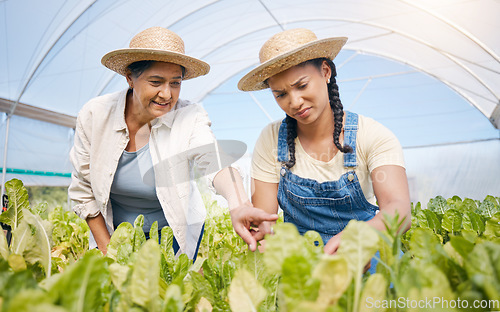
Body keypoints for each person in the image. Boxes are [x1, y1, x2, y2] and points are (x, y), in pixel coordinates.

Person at [69, 27, 277, 260]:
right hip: (114, 234)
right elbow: (83, 190)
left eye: (175, 83)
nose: (167, 94)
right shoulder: (95, 115)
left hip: (173, 234)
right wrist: (109, 250)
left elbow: (214, 159)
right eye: (156, 82)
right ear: (130, 77)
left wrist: (239, 204)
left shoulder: (189, 116)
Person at [238, 28, 411, 271]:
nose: (294, 102)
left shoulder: (371, 134)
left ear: (326, 72)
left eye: (302, 85)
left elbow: (399, 208)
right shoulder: (270, 139)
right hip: (302, 260)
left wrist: (362, 238)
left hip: (367, 249)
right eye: (281, 94)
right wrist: (266, 236)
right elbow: (265, 218)